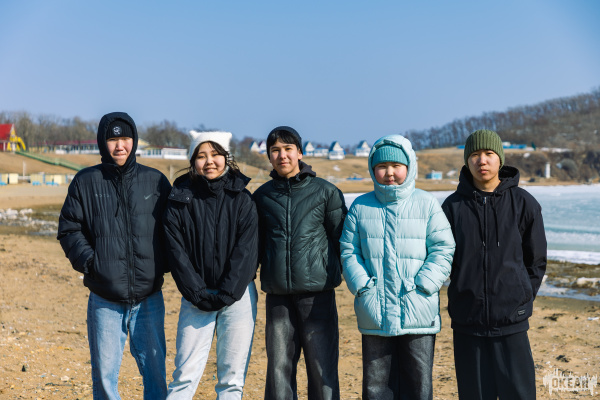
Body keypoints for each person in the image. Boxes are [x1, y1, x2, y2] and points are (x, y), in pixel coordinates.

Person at [57, 112, 172, 399]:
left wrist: (163, 264)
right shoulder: (86, 181)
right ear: (102, 142)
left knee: (156, 375)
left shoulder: (155, 181)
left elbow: (173, 229)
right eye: (112, 140)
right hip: (104, 298)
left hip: (149, 297)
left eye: (125, 139)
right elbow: (69, 228)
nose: (120, 146)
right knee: (105, 378)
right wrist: (92, 264)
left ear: (134, 140)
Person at [340, 134, 455, 400]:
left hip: (418, 308)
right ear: (373, 169)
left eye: (396, 166)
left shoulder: (426, 203)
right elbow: (349, 250)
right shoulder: (360, 206)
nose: (389, 172)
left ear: (409, 167)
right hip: (375, 309)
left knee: (418, 383)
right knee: (376, 384)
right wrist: (363, 286)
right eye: (382, 166)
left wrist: (425, 284)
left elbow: (443, 247)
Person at [441, 129, 547, 400]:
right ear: (467, 161)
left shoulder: (524, 203)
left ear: (500, 158)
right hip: (468, 322)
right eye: (475, 155)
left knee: (520, 394)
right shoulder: (452, 207)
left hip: (512, 320)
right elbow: (442, 260)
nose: (482, 160)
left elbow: (536, 261)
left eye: (489, 153)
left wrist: (521, 297)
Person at [163, 130, 259, 399]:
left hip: (238, 298)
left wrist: (228, 293)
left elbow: (246, 251)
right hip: (195, 298)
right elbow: (176, 252)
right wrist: (196, 293)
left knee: (232, 380)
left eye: (216, 154)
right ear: (192, 161)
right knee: (184, 375)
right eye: (201, 156)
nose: (209, 162)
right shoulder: (178, 200)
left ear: (227, 157)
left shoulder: (243, 199)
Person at [253, 126, 347, 400]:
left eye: (288, 149)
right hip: (278, 297)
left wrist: (332, 272)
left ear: (300, 153)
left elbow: (342, 240)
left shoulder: (326, 192)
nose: (282, 155)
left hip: (318, 296)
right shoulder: (262, 196)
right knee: (279, 369)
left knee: (322, 368)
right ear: (269, 156)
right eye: (275, 150)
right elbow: (256, 244)